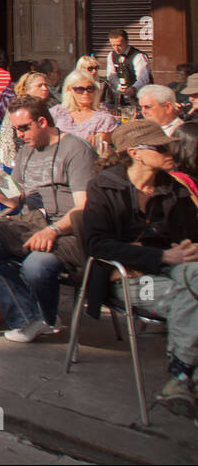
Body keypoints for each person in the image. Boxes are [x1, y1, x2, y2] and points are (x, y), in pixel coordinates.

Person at [82, 120, 198, 417]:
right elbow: (97, 245)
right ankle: (183, 376)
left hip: (177, 272)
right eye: (161, 146)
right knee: (190, 296)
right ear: (135, 153)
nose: (171, 149)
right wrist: (161, 258)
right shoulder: (104, 187)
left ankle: (182, 375)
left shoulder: (174, 188)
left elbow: (191, 237)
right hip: (125, 278)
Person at [0, 96, 95, 341]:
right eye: (15, 129)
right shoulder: (26, 152)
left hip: (67, 231)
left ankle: (45, 316)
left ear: (42, 121)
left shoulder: (75, 150)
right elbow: (13, 200)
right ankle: (29, 317)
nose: (20, 135)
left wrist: (53, 230)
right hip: (30, 225)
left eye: (24, 128)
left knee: (36, 266)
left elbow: (84, 208)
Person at [55, 68, 118, 151]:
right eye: (80, 89)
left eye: (90, 88)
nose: (85, 93)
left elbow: (96, 145)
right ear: (70, 90)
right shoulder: (57, 112)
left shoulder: (105, 119)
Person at [104, 28, 151, 107]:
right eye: (113, 45)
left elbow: (143, 79)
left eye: (119, 45)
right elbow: (111, 75)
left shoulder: (138, 56)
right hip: (121, 98)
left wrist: (133, 88)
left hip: (140, 97)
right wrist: (118, 85)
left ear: (127, 42)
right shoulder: (111, 55)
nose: (116, 48)